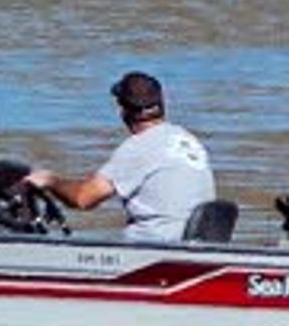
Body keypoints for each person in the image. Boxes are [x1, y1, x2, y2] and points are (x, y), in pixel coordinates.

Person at [22, 69, 215, 243]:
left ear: (123, 112)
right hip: (195, 249)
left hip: (154, 252)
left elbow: (84, 198)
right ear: (162, 105)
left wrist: (50, 180)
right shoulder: (189, 141)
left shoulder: (140, 146)